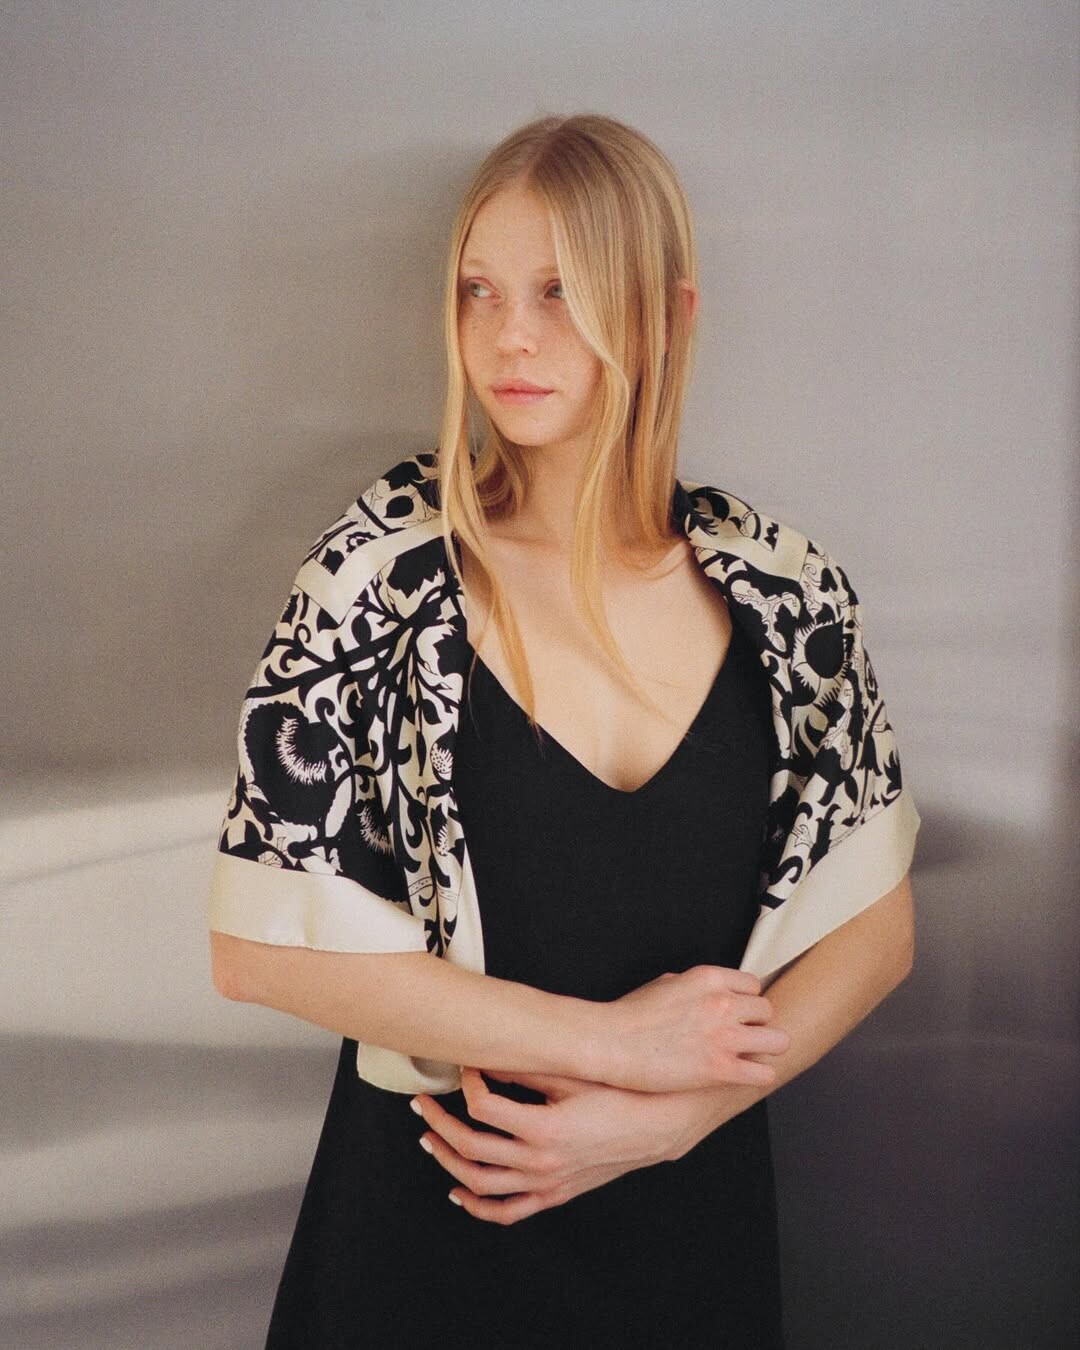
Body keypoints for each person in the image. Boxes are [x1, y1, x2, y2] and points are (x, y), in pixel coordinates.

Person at [208, 112, 920, 1349]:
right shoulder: (385, 573)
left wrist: (675, 1118)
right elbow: (259, 951)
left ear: (668, 314)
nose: (510, 337)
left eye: (560, 291)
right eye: (479, 290)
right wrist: (614, 1044)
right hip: (423, 1249)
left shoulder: (786, 594)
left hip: (689, 1250)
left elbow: (877, 931)